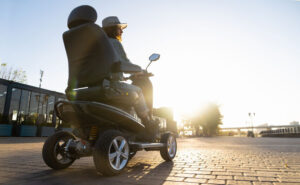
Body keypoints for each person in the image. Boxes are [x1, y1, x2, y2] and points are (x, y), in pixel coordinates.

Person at [102, 16, 158, 139]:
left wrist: (125, 77)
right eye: (119, 28)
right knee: (138, 91)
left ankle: (128, 127)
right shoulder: (113, 42)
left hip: (95, 85)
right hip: (111, 85)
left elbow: (108, 68)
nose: (121, 31)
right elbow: (122, 63)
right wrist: (140, 71)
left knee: (128, 90)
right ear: (112, 29)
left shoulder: (96, 45)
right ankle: (148, 125)